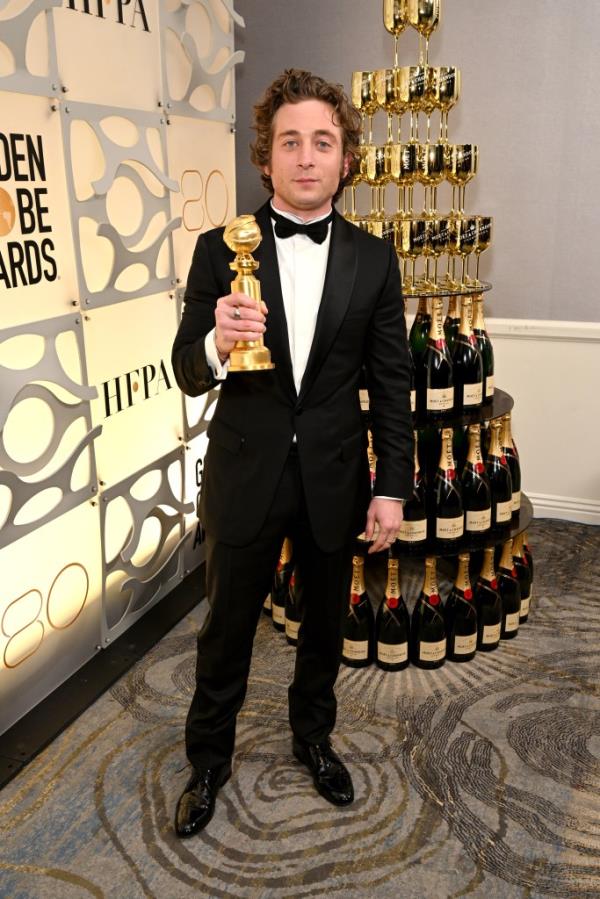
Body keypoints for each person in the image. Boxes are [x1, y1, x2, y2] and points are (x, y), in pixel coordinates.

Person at [171, 68, 413, 838]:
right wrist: (217, 338)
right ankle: (208, 759)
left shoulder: (375, 260)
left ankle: (314, 738)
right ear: (265, 158)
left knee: (323, 626)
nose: (307, 157)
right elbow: (184, 365)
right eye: (290, 142)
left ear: (346, 159)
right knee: (226, 629)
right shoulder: (219, 249)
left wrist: (392, 487)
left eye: (324, 142)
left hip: (335, 478)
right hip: (245, 472)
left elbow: (392, 384)